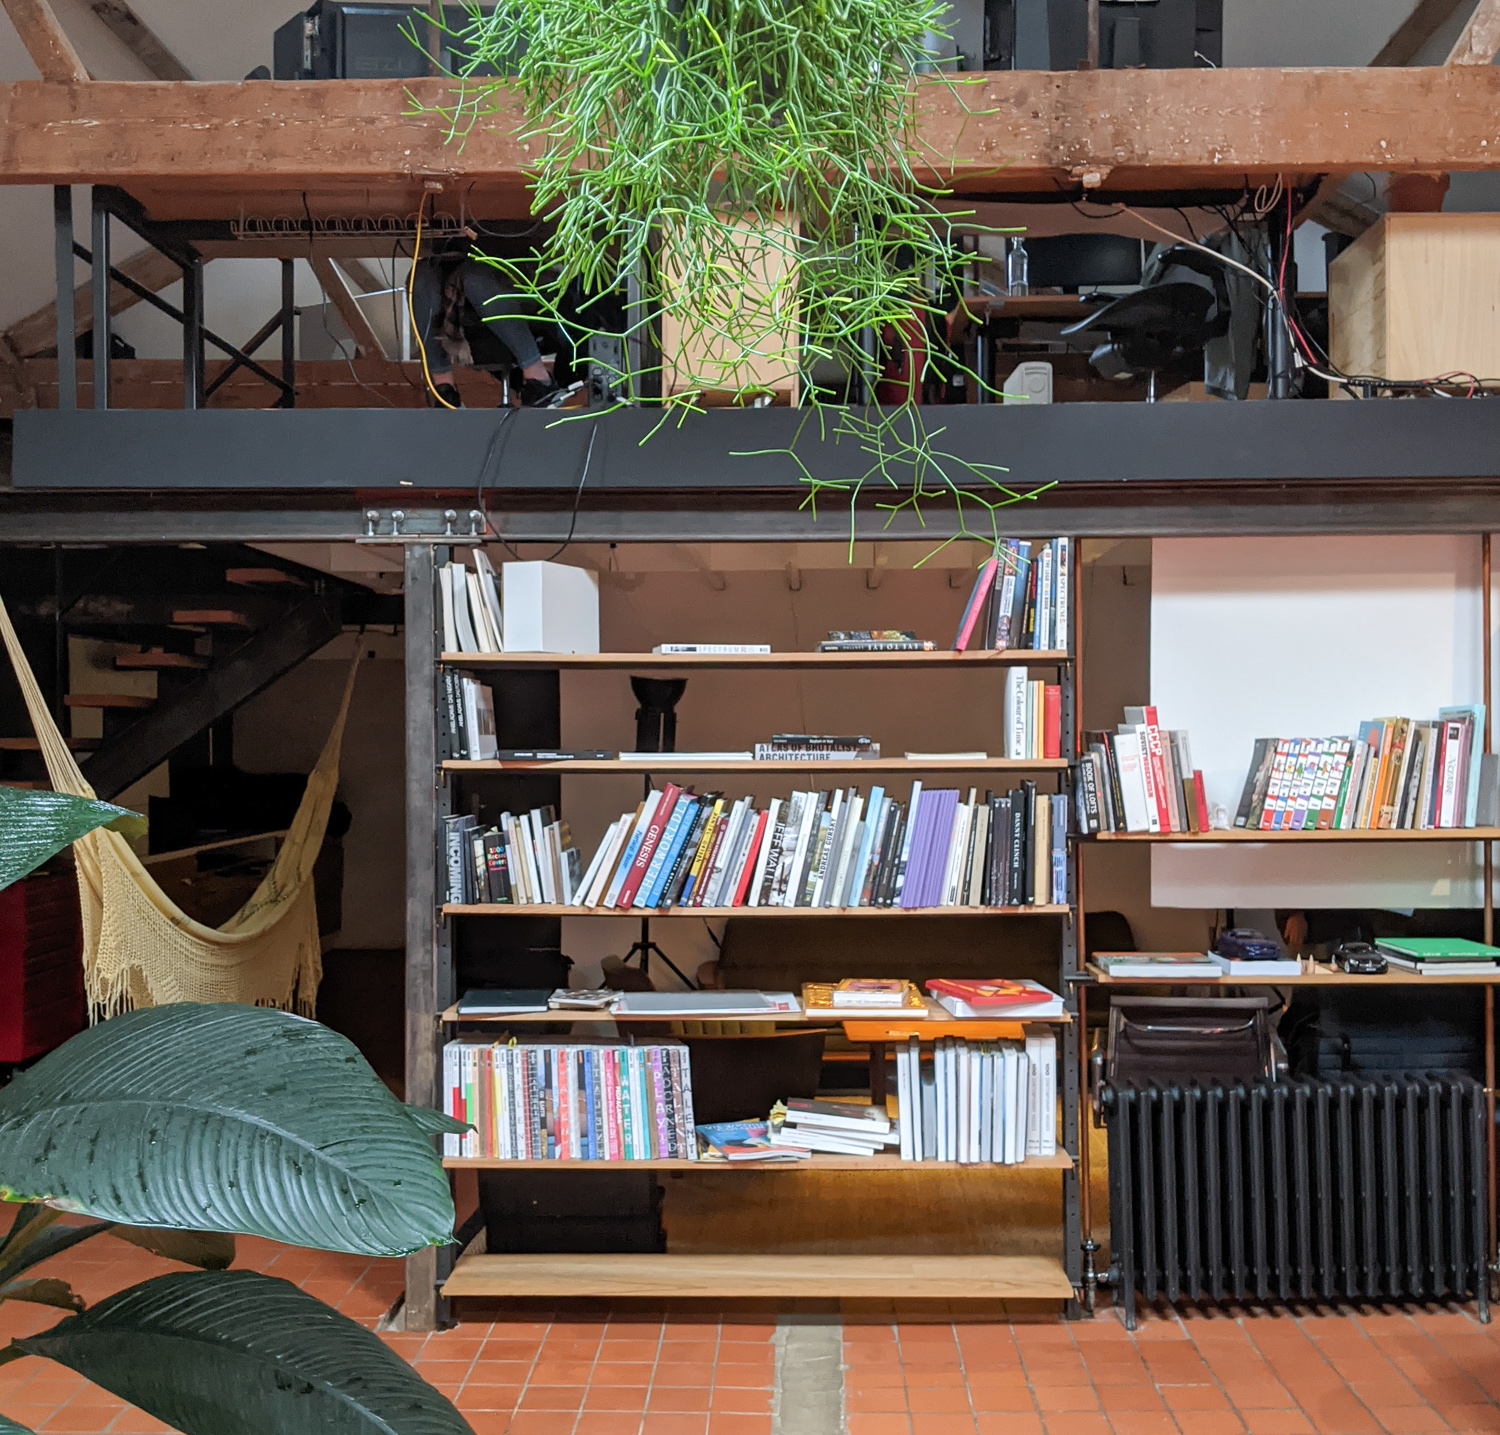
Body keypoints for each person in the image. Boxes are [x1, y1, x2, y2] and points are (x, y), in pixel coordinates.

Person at [409, 242, 568, 408]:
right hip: (461, 269)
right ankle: (444, 391)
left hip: (528, 268)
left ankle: (540, 381)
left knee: (475, 276)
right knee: (421, 277)